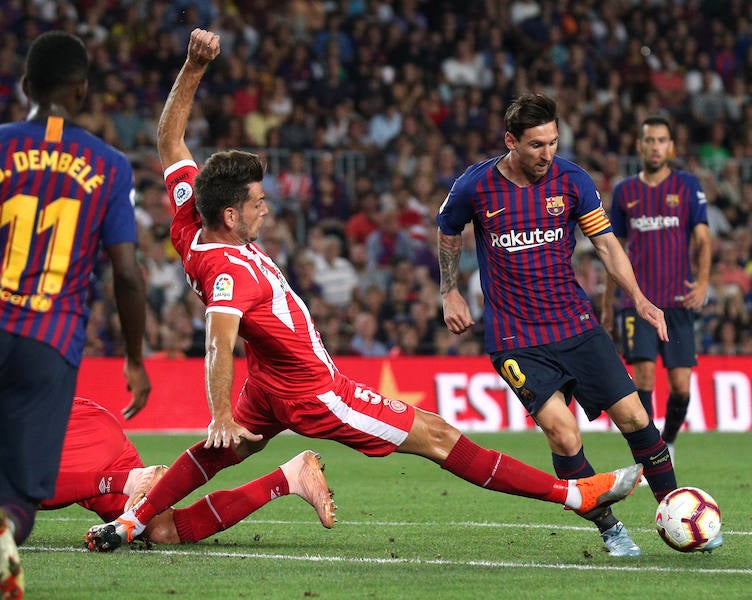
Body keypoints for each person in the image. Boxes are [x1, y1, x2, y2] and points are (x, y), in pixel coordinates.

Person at [84, 29, 642, 555]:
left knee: (216, 458)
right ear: (231, 216)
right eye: (257, 203)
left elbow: (168, 140)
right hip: (313, 392)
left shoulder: (191, 219)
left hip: (268, 382)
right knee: (439, 437)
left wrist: (193, 66)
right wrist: (219, 413)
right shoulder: (230, 272)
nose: (266, 209)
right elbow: (217, 337)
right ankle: (575, 494)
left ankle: (131, 521)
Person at [437, 93, 720, 556]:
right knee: (563, 434)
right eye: (536, 145)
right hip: (516, 339)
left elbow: (606, 244)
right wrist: (449, 290)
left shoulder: (572, 180)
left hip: (575, 324)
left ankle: (676, 512)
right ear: (510, 141)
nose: (547, 154)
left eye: (553, 142)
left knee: (635, 417)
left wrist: (639, 298)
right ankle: (609, 528)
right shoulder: (475, 185)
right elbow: (448, 230)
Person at [0, 31, 150, 598]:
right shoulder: (109, 165)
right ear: (82, 90)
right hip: (50, 341)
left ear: (25, 86)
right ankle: (7, 528)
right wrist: (135, 358)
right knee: (23, 490)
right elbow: (127, 274)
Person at [43, 397, 333, 546]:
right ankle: (289, 478)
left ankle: (130, 480)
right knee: (162, 530)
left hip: (65, 427)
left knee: (24, 486)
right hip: (83, 429)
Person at [602, 116, 712, 464]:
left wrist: (704, 282)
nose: (655, 147)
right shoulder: (624, 191)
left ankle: (669, 441)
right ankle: (649, 453)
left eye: (662, 140)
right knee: (644, 378)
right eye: (649, 140)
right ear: (640, 146)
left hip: (678, 302)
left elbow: (703, 239)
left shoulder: (687, 185)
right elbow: (614, 250)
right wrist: (607, 306)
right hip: (637, 303)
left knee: (681, 386)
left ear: (671, 147)